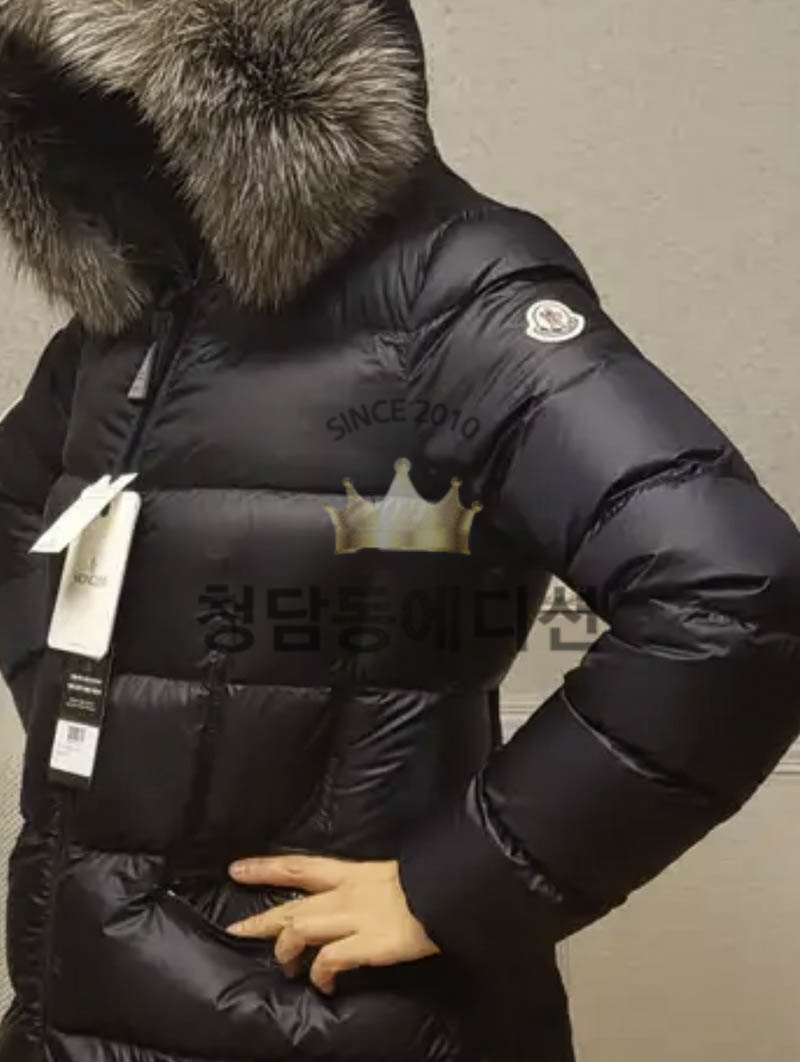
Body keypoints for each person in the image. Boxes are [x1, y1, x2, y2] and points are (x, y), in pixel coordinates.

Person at [0, 3, 799, 1061]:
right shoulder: (142, 310)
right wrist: (87, 708)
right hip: (71, 1001)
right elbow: (18, 512)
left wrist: (457, 883)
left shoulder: (455, 289)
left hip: (329, 1014)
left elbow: (732, 593)